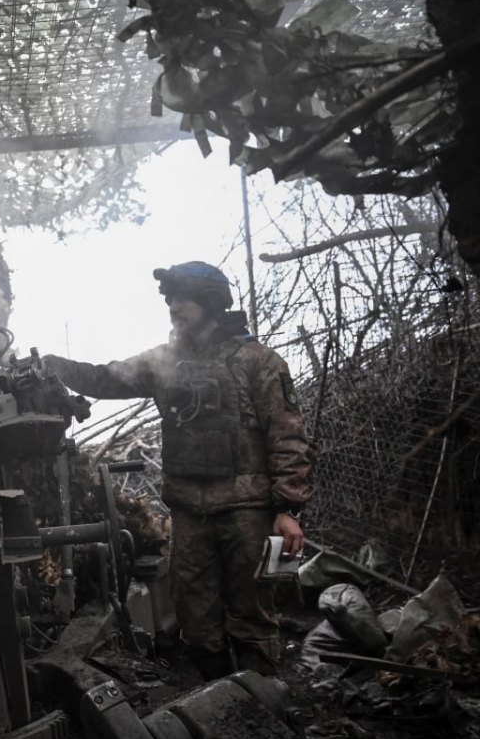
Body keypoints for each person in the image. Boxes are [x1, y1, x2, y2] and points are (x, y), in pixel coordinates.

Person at [42, 261, 312, 679]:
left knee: (253, 613)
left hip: (248, 512)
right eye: (169, 299)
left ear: (210, 301)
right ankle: (215, 699)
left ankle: (262, 696)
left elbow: (287, 436)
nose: (172, 306)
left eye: (182, 298)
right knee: (195, 615)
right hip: (189, 512)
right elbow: (105, 378)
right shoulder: (164, 362)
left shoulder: (258, 361)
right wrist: (52, 365)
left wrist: (288, 509)